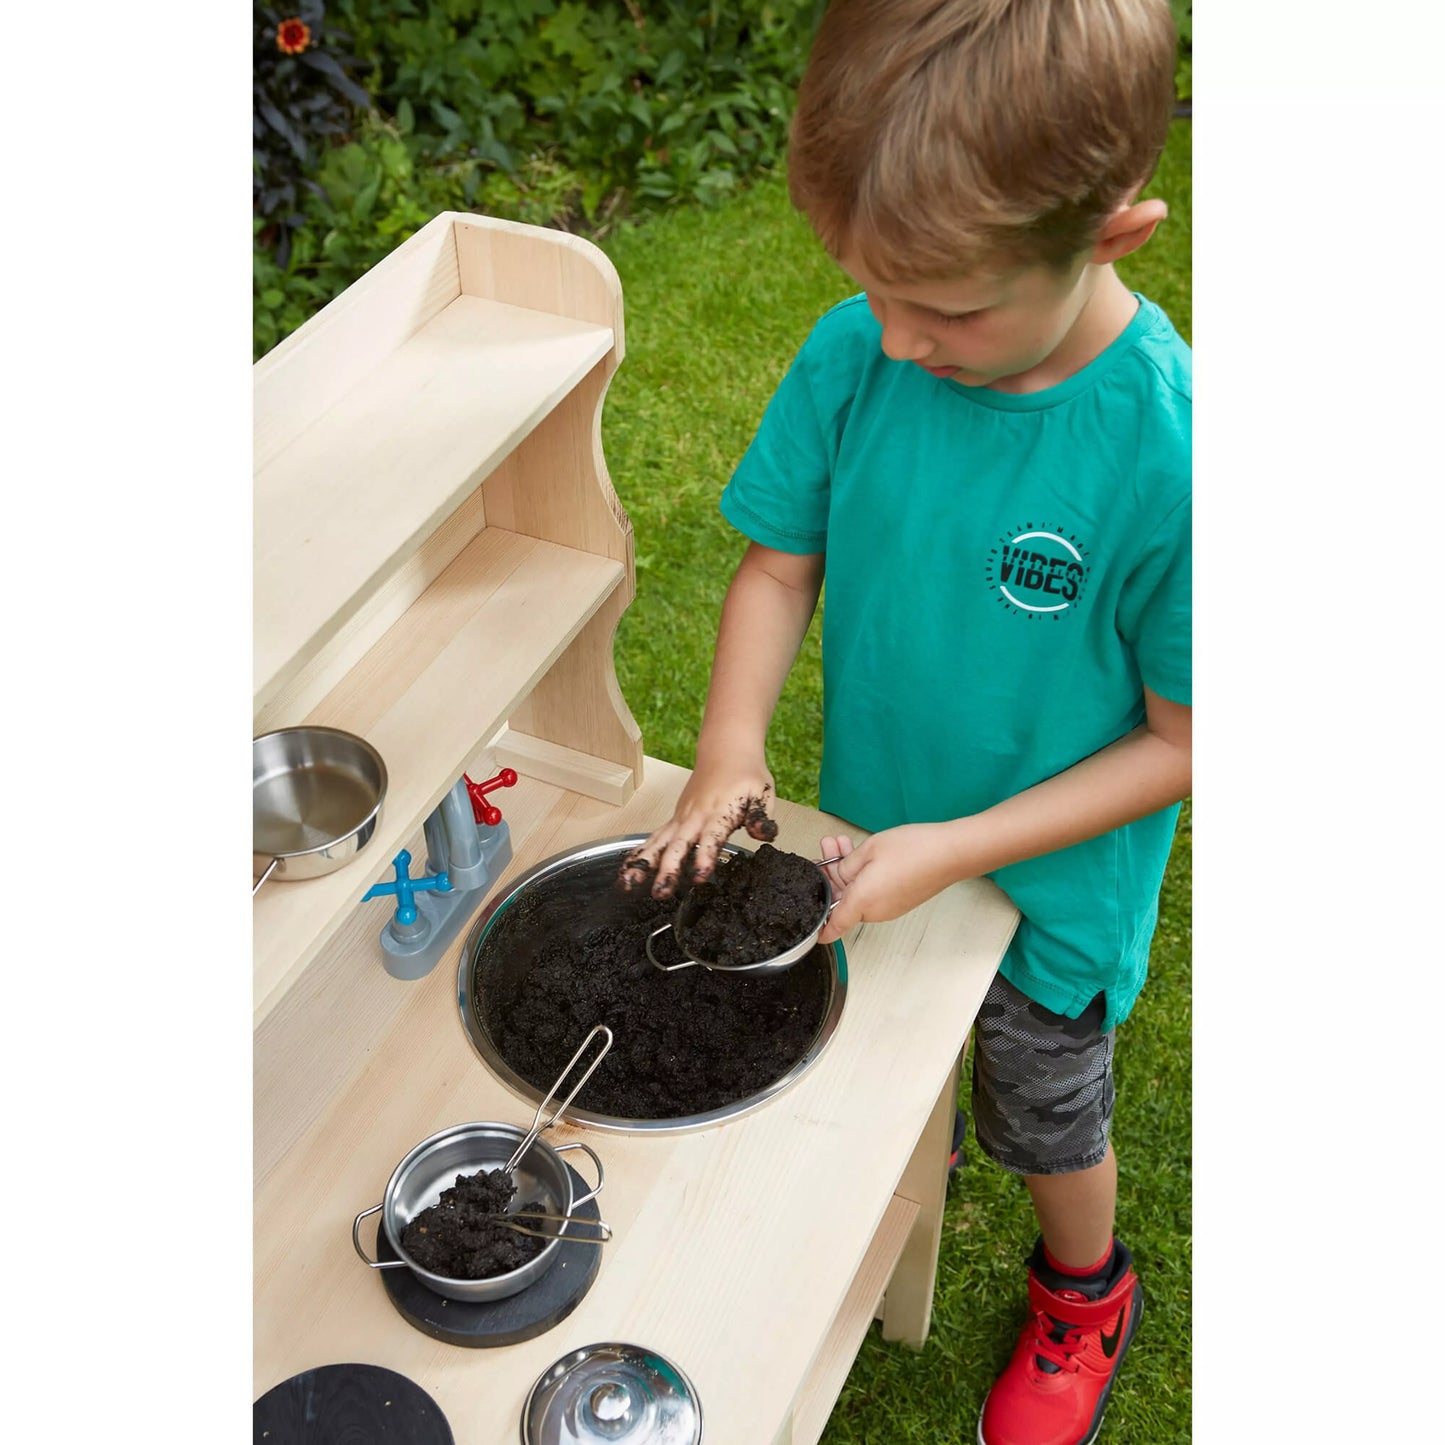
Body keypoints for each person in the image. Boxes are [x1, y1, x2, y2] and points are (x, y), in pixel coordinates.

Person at [620, 2, 1190, 1441]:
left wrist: (967, 847)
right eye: (872, 291)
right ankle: (895, 1177)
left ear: (1115, 234)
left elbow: (1186, 740)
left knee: (1041, 1105)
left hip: (1042, 893)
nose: (896, 339)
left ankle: (1081, 1286)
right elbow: (775, 563)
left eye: (946, 309)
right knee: (879, 1058)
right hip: (870, 836)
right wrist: (732, 749)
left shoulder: (1173, 461)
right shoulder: (857, 353)